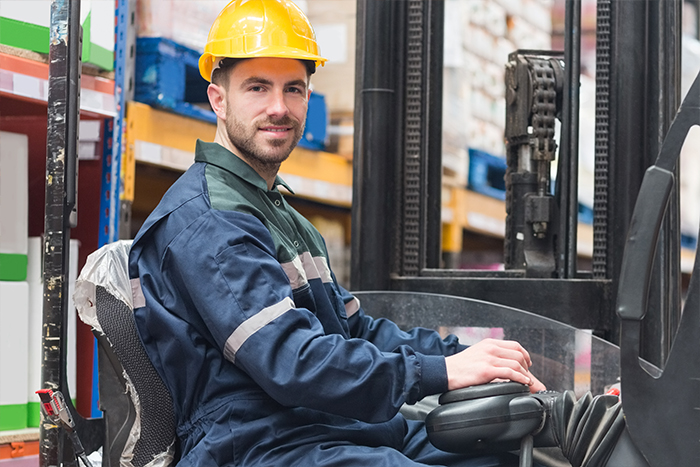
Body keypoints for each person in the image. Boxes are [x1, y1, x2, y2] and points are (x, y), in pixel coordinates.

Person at [128, 0, 546, 465]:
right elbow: (292, 361)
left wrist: (472, 359)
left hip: (328, 426)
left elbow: (355, 330)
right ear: (218, 99)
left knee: (503, 449)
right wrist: (440, 372)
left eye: (294, 89)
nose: (278, 107)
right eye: (257, 88)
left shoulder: (282, 216)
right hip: (257, 443)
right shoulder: (209, 220)